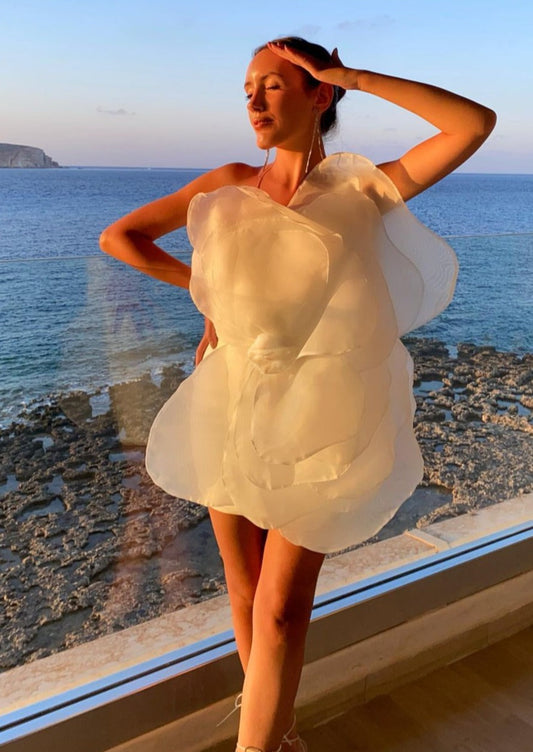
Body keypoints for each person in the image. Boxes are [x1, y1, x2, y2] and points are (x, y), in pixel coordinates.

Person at [100, 37, 496, 752]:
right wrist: (207, 295)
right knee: (245, 586)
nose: (253, 100)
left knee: (282, 608)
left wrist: (355, 77)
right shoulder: (230, 183)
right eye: (247, 88)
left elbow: (472, 124)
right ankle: (278, 734)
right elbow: (120, 238)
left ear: (318, 94)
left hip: (324, 412)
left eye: (273, 85)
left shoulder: (363, 188)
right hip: (230, 394)